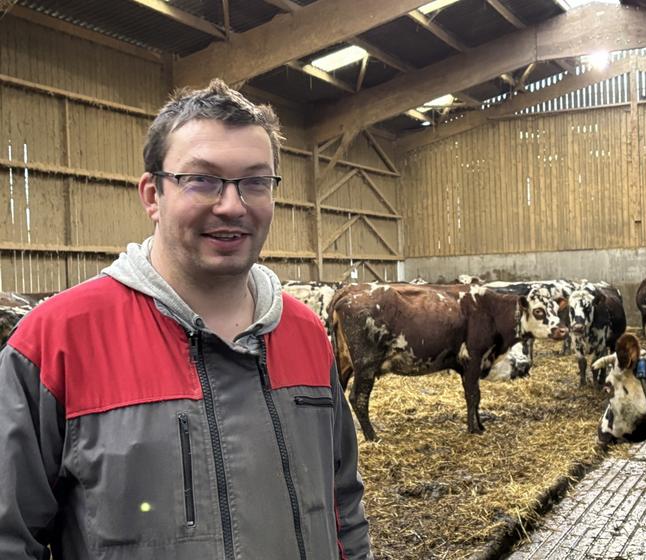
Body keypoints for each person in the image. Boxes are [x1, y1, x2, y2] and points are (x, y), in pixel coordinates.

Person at [0, 79, 372, 560]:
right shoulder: (55, 344)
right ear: (152, 195)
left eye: (255, 181)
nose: (233, 205)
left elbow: (344, 506)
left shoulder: (304, 333)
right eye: (202, 180)